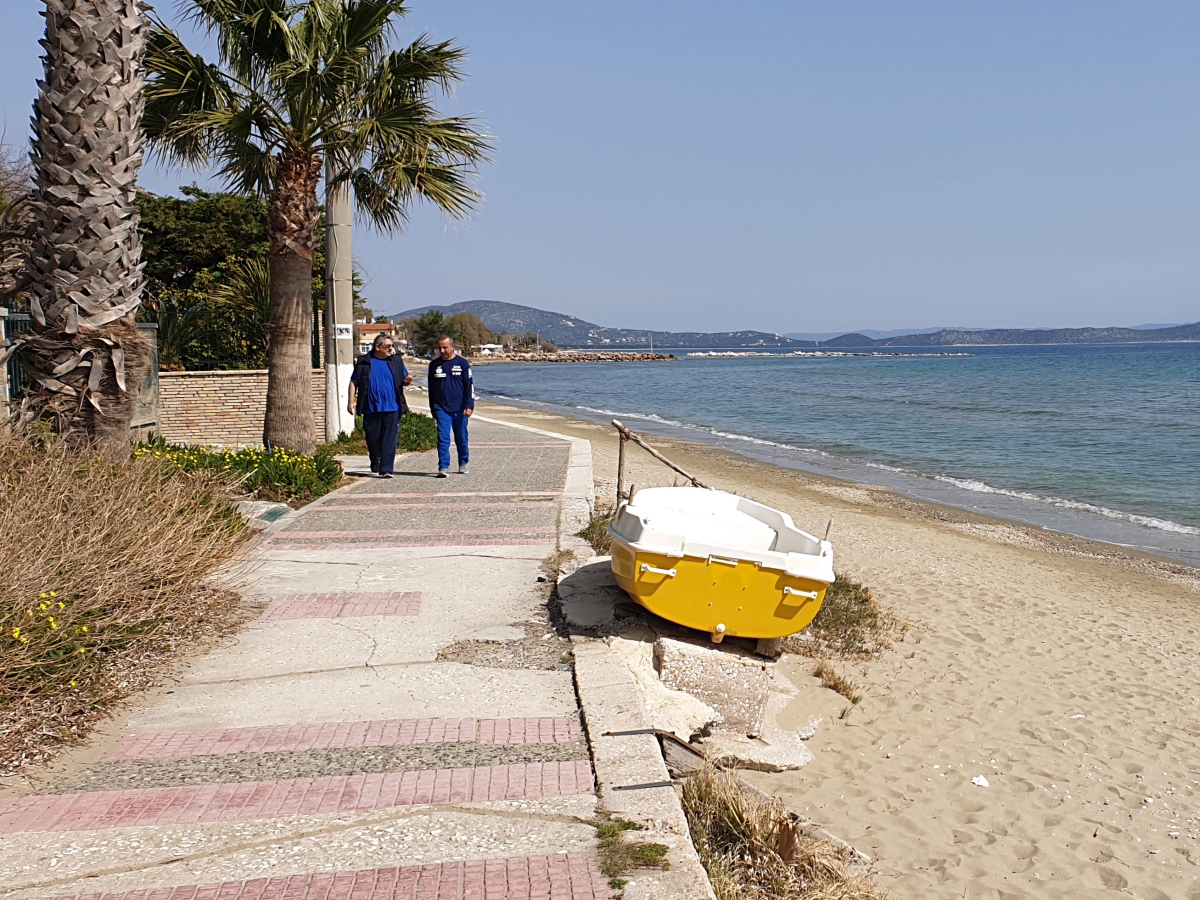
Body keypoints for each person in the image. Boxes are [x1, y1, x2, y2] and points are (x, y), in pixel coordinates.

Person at [347, 333, 412, 478]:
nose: (391, 349)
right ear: (377, 347)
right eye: (388, 346)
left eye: (392, 346)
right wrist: (351, 401)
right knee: (373, 438)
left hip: (393, 407)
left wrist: (407, 381)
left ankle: (386, 469)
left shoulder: (396, 361)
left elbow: (404, 380)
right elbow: (354, 382)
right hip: (371, 407)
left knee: (390, 440)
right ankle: (375, 459)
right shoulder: (364, 362)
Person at [428, 335, 474, 477]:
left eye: (445, 347)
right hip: (441, 408)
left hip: (460, 408)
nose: (442, 350)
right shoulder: (434, 365)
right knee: (443, 437)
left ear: (452, 347)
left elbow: (469, 387)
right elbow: (431, 389)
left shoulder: (463, 364)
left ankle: (463, 463)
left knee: (461, 437)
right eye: (440, 348)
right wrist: (433, 408)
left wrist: (470, 405)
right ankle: (443, 467)